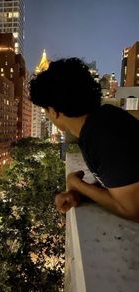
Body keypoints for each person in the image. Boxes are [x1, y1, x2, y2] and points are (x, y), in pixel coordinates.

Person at [29, 57, 139, 222]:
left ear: (54, 111)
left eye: (45, 110)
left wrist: (75, 183)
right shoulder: (102, 120)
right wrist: (78, 193)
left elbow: (132, 210)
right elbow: (120, 182)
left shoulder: (101, 135)